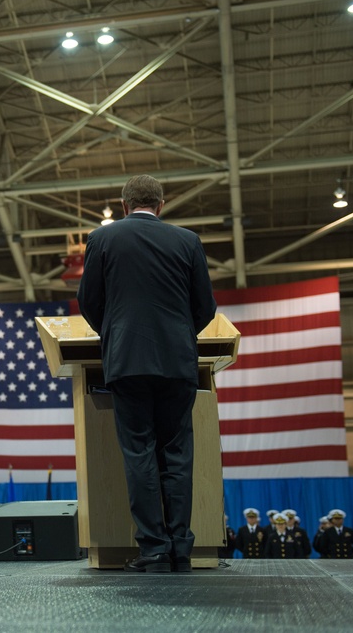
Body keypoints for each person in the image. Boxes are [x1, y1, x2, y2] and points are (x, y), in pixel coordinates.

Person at [77, 175, 216, 574]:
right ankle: (182, 549)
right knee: (177, 456)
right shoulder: (187, 241)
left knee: (139, 453)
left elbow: (89, 302)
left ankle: (154, 549)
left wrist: (117, 331)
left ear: (124, 206)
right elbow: (204, 307)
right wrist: (177, 336)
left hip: (127, 362)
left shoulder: (102, 239)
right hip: (177, 364)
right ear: (161, 204)